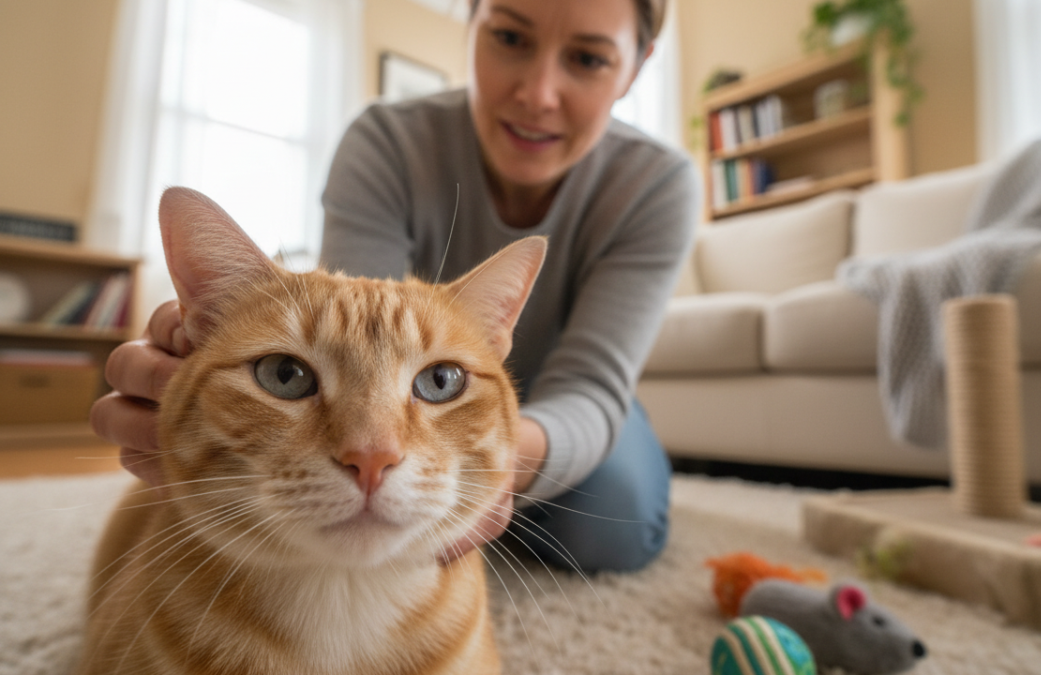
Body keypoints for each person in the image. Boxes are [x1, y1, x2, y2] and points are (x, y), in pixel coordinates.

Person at [90, 0, 700, 573]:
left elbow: (592, 387)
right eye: (510, 37)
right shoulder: (386, 140)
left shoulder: (659, 183)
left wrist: (480, 472)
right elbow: (356, 344)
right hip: (391, 401)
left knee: (612, 522)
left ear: (634, 70)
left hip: (527, 405)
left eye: (589, 59)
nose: (537, 94)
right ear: (472, 22)